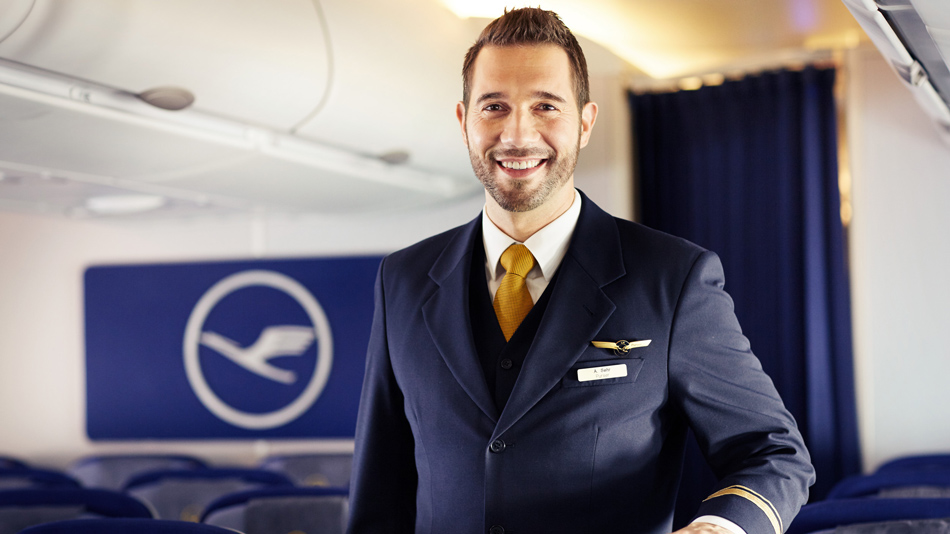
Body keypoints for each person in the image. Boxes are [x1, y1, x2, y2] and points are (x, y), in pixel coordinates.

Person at [347, 8, 814, 534]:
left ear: (585, 122)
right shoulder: (403, 280)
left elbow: (773, 452)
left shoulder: (672, 278)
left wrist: (720, 528)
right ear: (463, 122)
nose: (517, 134)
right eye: (494, 106)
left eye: (545, 106)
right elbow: (378, 491)